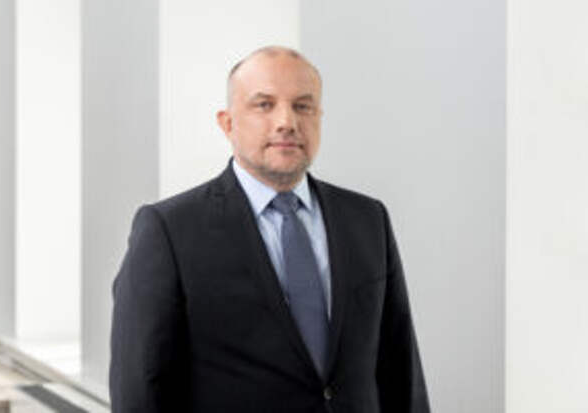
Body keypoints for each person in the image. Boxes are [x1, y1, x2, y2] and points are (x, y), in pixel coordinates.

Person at [109, 46, 430, 413]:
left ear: (319, 117)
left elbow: (400, 368)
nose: (286, 122)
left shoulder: (367, 219)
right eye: (264, 105)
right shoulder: (169, 231)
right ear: (228, 123)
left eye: (303, 106)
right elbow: (140, 386)